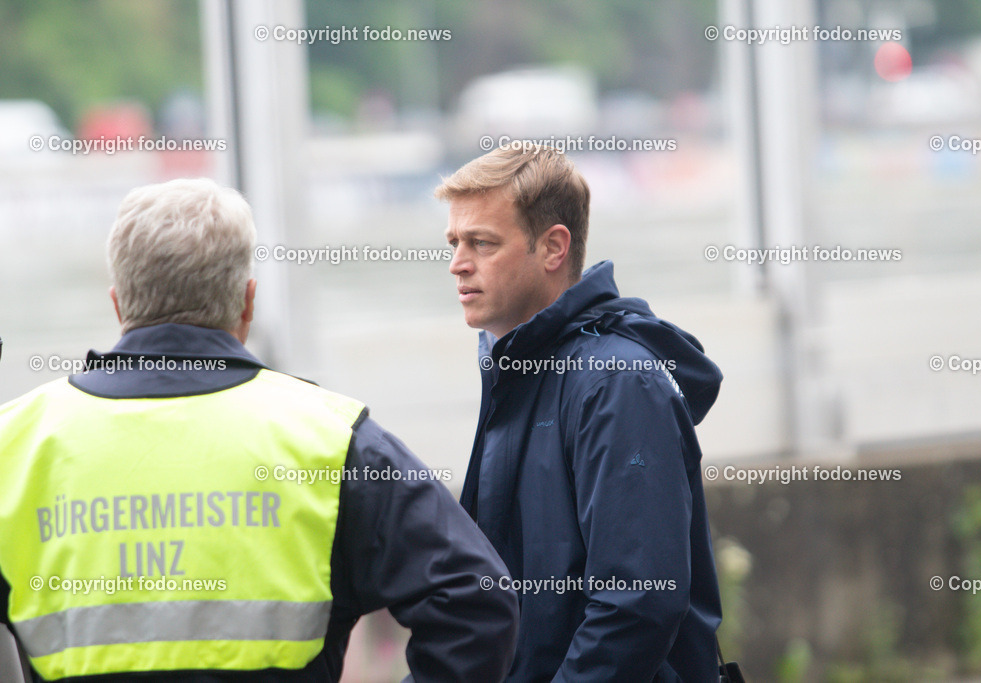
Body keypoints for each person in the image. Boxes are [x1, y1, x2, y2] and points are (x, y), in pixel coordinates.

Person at [0, 178, 518, 682]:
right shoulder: (331, 440)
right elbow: (475, 601)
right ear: (248, 302)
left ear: (118, 305)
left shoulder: (15, 442)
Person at [436, 146, 724, 682]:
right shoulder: (516, 370)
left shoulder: (616, 383)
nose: (458, 263)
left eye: (482, 242)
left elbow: (637, 605)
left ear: (553, 247)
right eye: (454, 243)